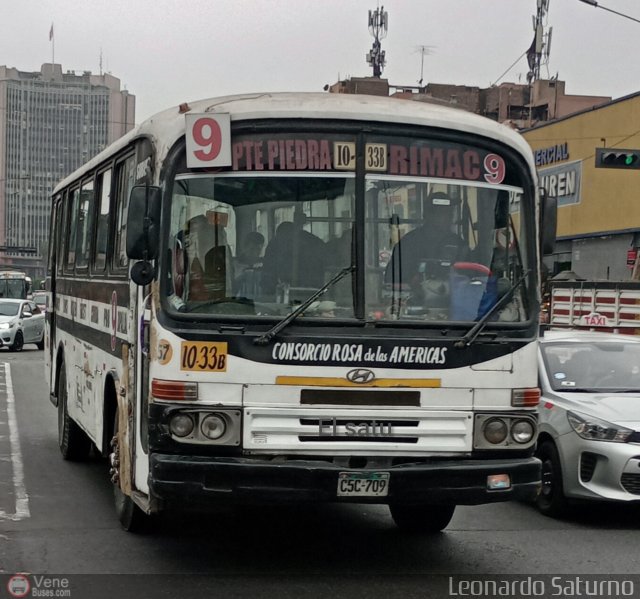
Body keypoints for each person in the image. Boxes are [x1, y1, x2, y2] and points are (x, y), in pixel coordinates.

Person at [385, 192, 468, 306]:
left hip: (455, 307)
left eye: (450, 213)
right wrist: (412, 282)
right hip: (414, 307)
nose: (450, 217)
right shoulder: (409, 243)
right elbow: (391, 279)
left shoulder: (459, 243)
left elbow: (470, 274)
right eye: (443, 213)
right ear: (428, 215)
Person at [261, 214, 327, 297]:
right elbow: (268, 273)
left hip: (312, 288)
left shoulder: (311, 242)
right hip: (297, 290)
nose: (287, 244)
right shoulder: (275, 244)